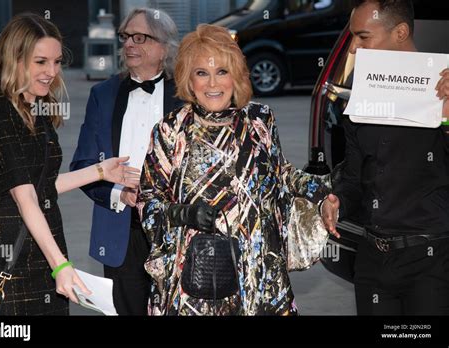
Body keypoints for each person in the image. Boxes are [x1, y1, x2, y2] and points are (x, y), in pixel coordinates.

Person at [138, 24, 335, 316]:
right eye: (201, 72)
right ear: (189, 80)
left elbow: (281, 174)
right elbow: (147, 200)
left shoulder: (259, 120)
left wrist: (321, 192)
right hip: (198, 277)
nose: (212, 83)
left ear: (236, 76)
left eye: (222, 71)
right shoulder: (171, 130)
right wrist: (185, 213)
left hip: (259, 274)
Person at [0, 13, 139, 315]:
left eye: (57, 61)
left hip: (44, 252)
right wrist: (60, 264)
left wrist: (101, 171)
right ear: (15, 59)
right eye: (41, 62)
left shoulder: (34, 107)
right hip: (8, 258)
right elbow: (24, 198)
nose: (51, 72)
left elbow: (42, 188)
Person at [321, 0, 449, 315]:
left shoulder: (442, 94)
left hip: (432, 263)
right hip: (372, 261)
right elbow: (353, 177)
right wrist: (338, 200)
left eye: (363, 37)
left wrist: (446, 119)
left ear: (401, 32)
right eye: (352, 37)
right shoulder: (359, 101)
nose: (353, 48)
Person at [70, 8, 182, 315]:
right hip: (121, 229)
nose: (129, 44)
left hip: (177, 229)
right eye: (125, 37)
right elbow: (82, 165)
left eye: (139, 37)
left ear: (164, 47)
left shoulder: (187, 95)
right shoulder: (102, 95)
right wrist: (119, 194)